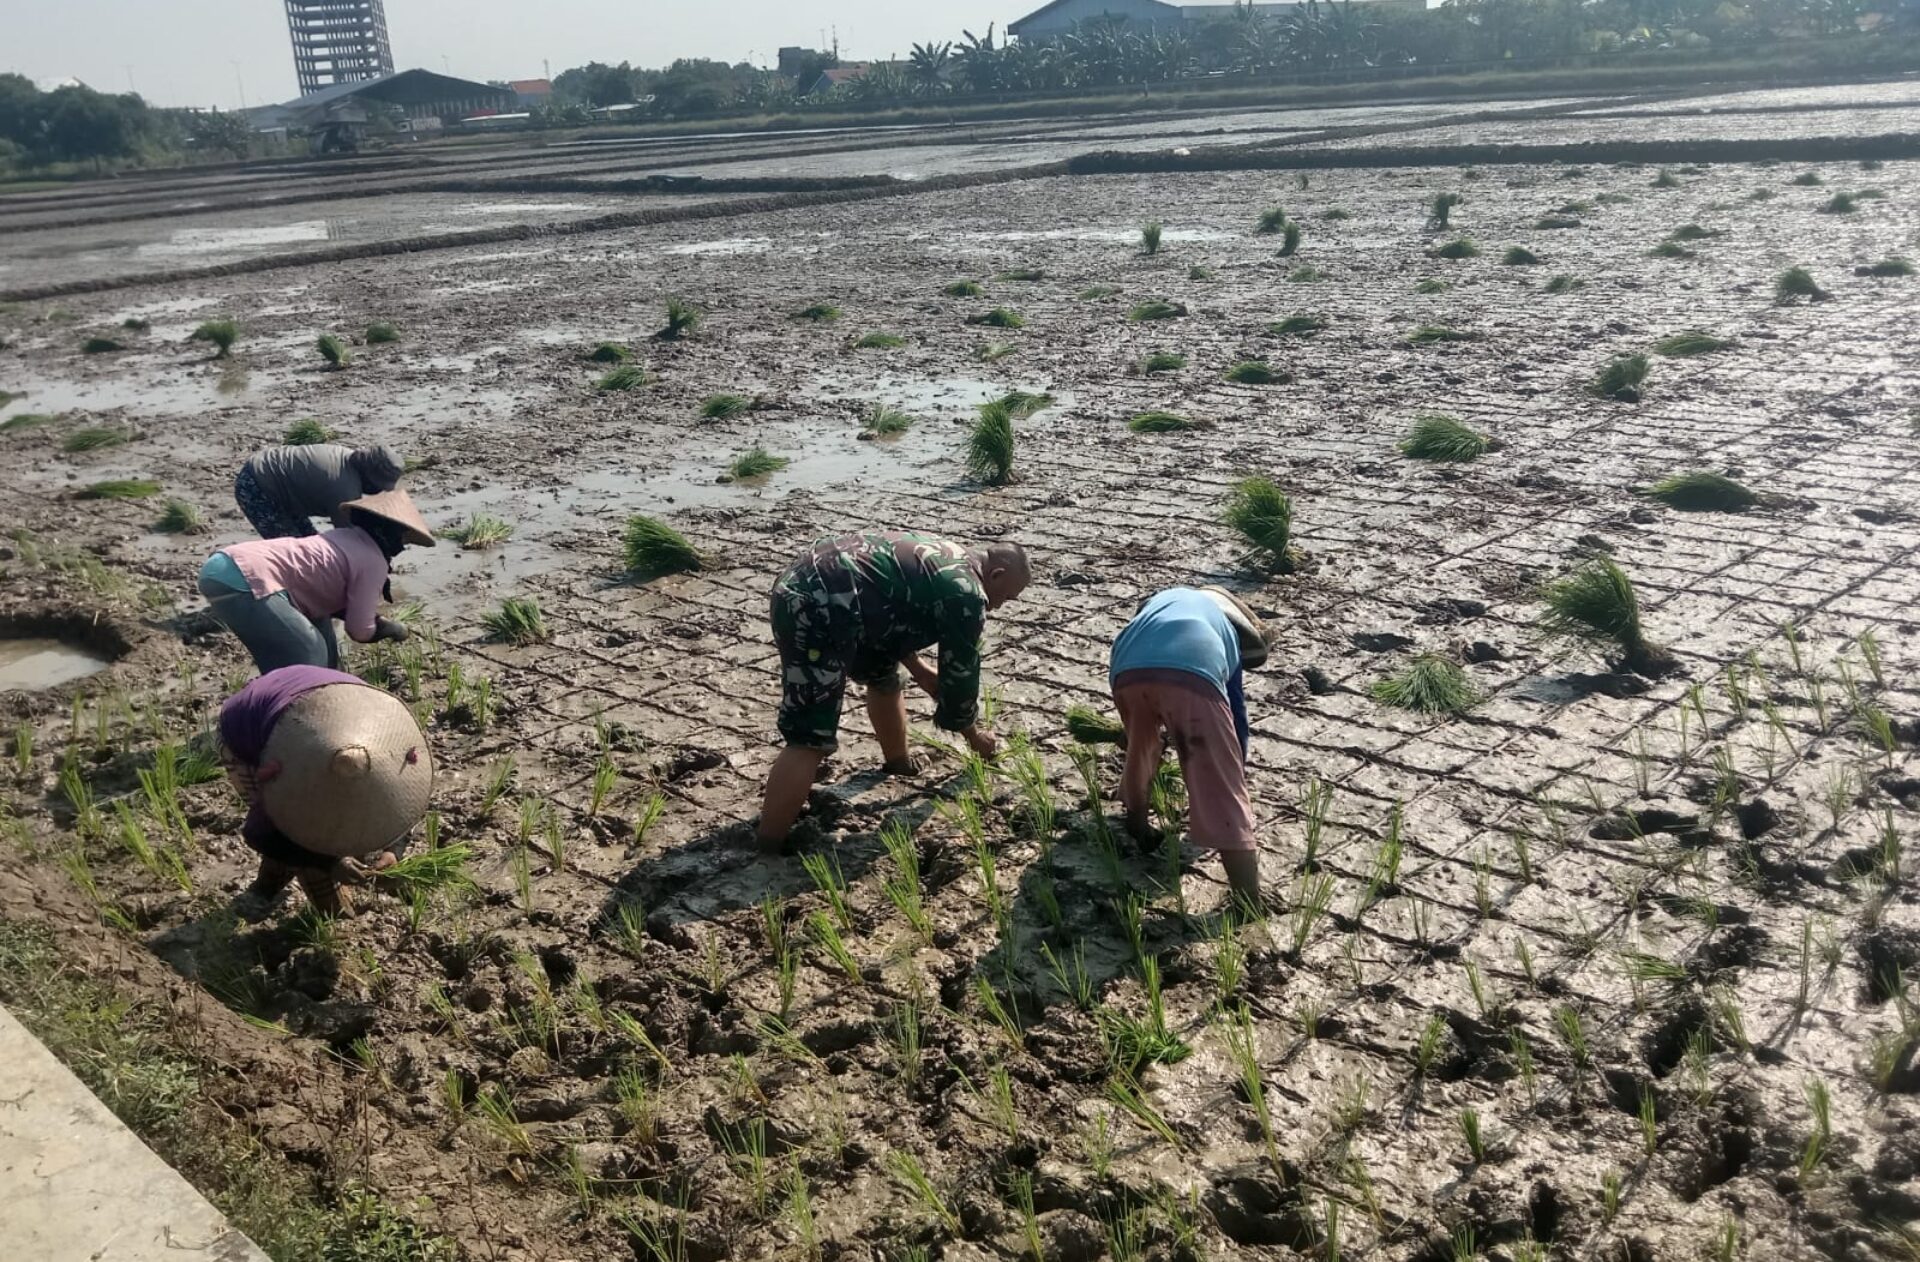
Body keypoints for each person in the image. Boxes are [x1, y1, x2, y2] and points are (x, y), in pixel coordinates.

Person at [756, 530, 1032, 849]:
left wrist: (920, 669)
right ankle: (768, 848)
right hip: (817, 607)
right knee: (810, 736)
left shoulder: (947, 552)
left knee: (884, 675)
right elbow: (960, 678)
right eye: (1005, 598)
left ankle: (898, 763)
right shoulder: (968, 594)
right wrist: (974, 736)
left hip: (818, 586)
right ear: (996, 575)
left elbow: (890, 603)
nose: (998, 606)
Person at [220, 665, 434, 918]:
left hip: (325, 702)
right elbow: (258, 833)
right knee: (295, 831)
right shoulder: (294, 772)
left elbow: (401, 799)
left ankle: (265, 887)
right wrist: (329, 863)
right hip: (247, 726)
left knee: (317, 832)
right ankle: (269, 887)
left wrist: (392, 851)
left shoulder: (386, 745)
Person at [1109, 586, 1275, 906]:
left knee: (1141, 747)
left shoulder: (1164, 603)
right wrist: (1232, 769)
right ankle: (1248, 899)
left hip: (1126, 665)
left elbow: (1148, 656)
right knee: (1220, 787)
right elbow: (1236, 718)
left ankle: (1137, 822)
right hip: (1191, 666)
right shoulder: (1225, 632)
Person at [198, 489, 434, 674]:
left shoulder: (340, 536)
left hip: (224, 568)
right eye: (403, 538)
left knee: (310, 653)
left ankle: (289, 710)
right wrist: (393, 629)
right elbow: (360, 630)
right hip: (248, 579)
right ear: (393, 533)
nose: (402, 544)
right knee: (309, 650)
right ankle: (299, 720)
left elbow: (322, 593)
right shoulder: (374, 561)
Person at [234, 443, 405, 540]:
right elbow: (347, 539)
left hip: (279, 484)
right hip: (257, 487)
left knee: (309, 542)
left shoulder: (347, 458)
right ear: (369, 476)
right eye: (378, 485)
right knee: (291, 551)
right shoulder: (343, 488)